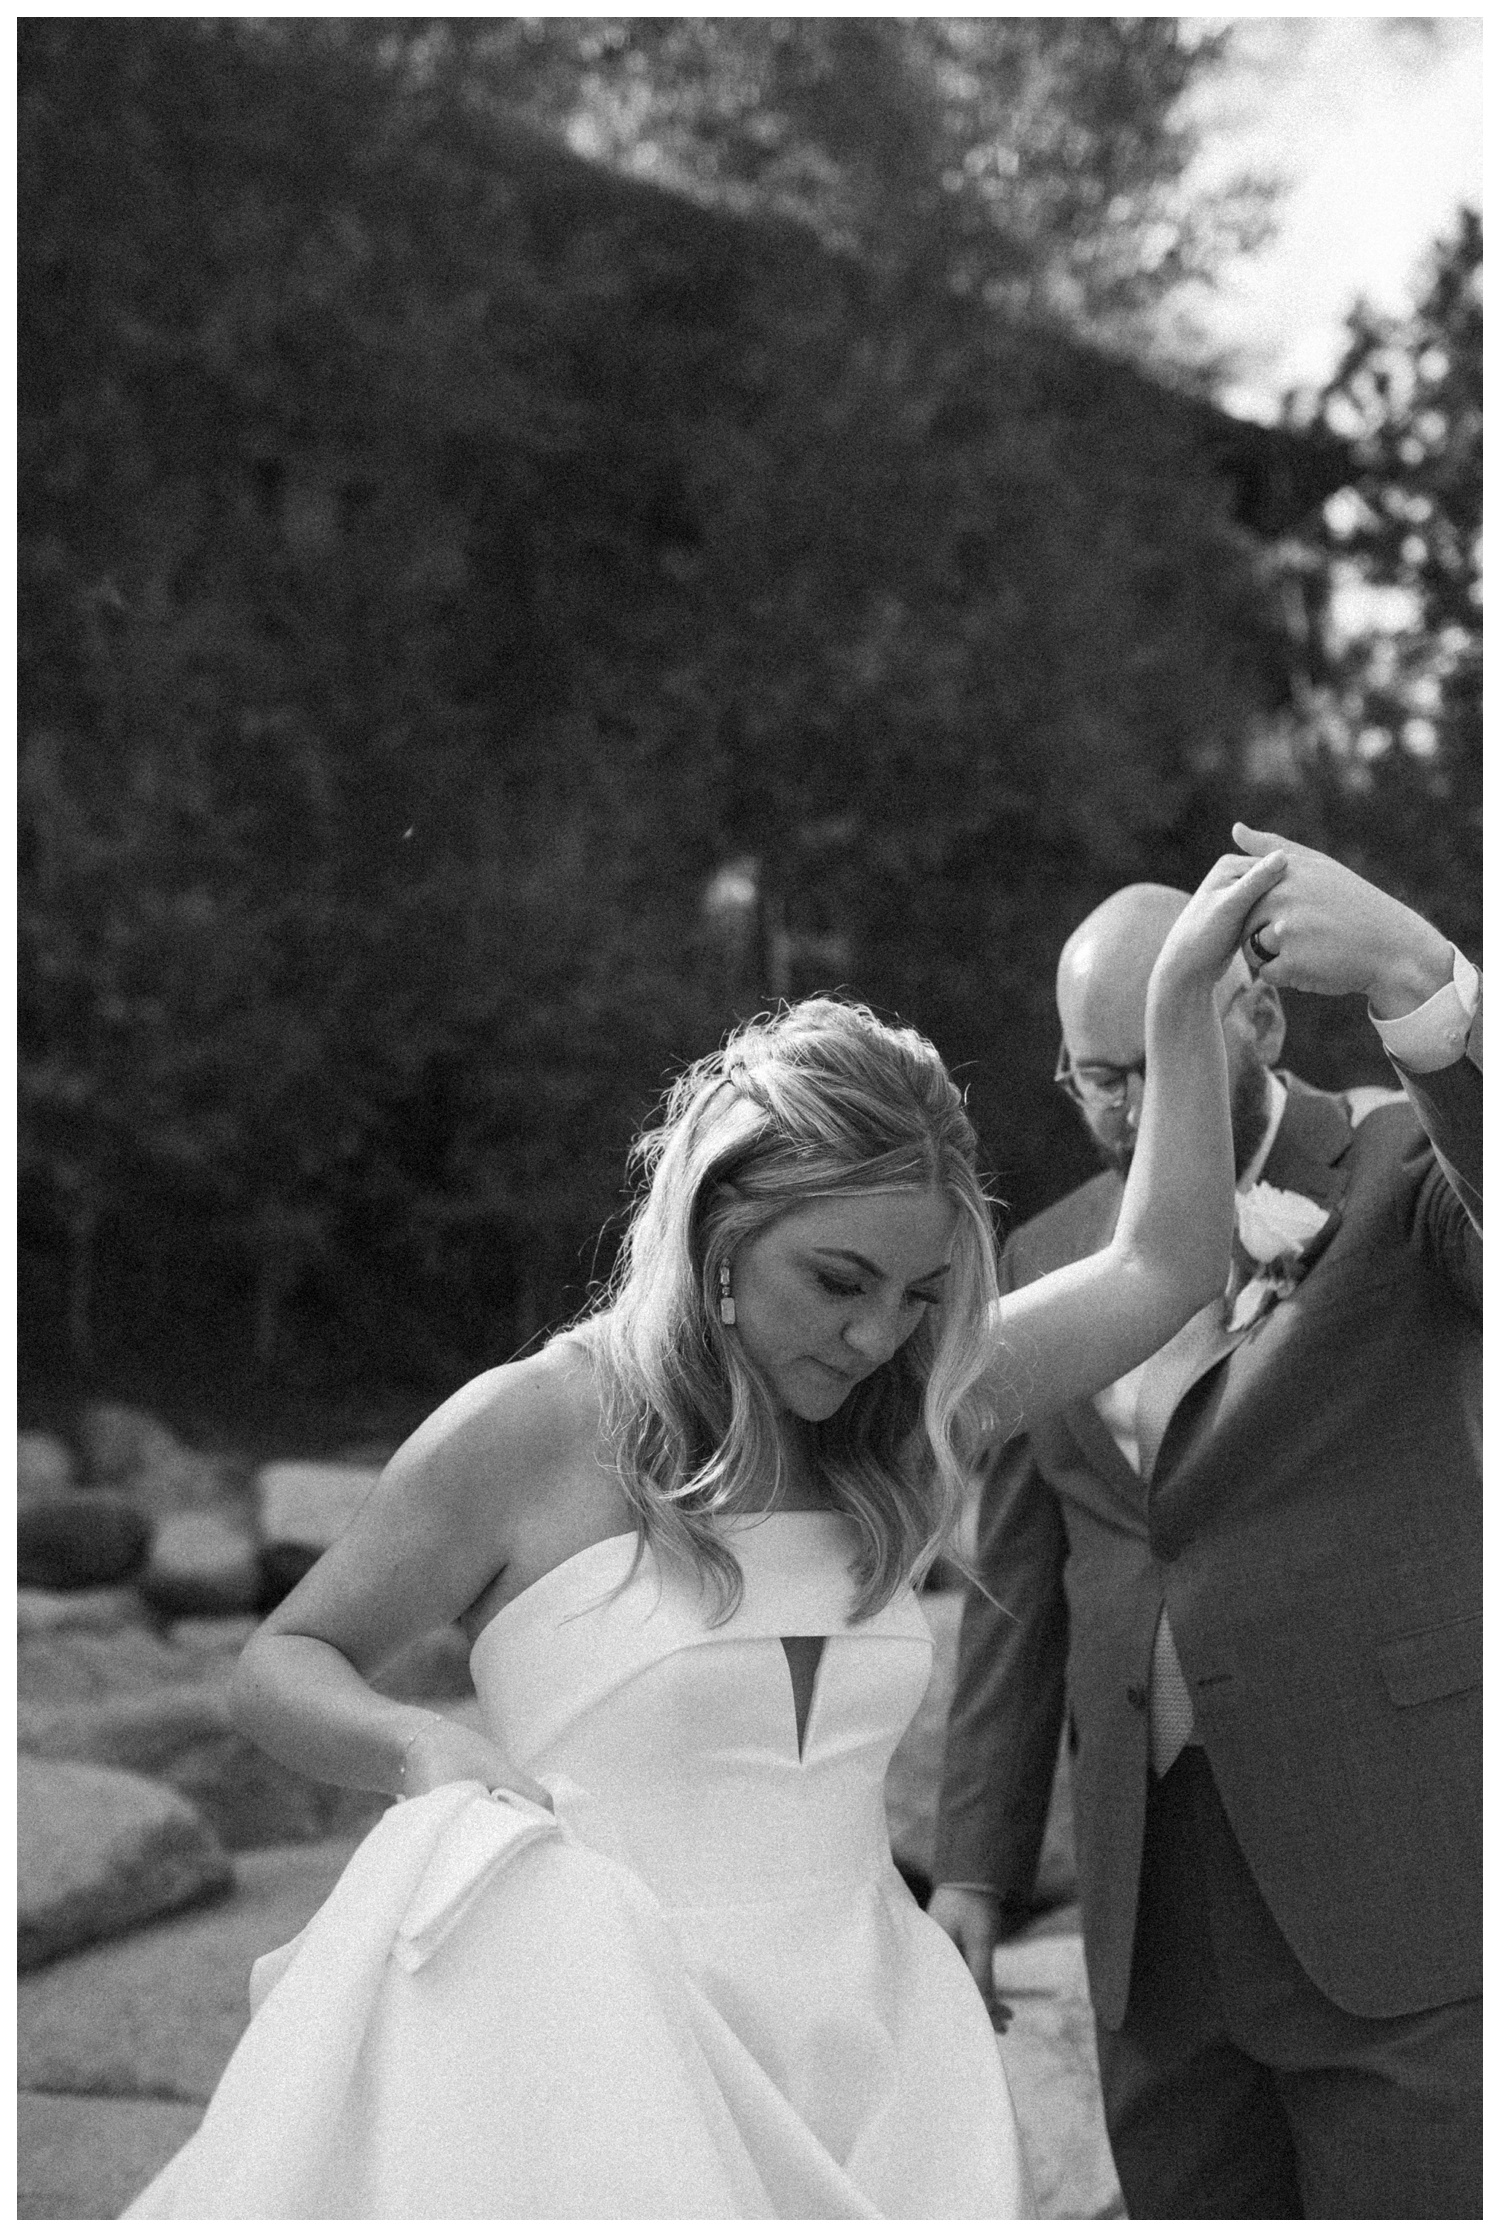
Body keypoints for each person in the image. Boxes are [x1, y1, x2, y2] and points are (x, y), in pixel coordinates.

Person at [124, 845, 1284, 2220]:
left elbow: (1168, 1260)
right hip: (597, 2056)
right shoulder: (534, 1426)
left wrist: (1181, 999)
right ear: (720, 1235)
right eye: (836, 1279)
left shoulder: (910, 1412)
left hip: (879, 2060)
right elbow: (283, 1659)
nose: (876, 1334)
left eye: (917, 1295)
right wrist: (424, 1747)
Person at [930, 823, 1481, 2219]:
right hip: (1149, 1924)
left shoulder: (1399, 1158)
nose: (1123, 1106)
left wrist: (1424, 983)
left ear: (1258, 1011)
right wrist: (975, 1877)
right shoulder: (1047, 1257)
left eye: (1154, 1054)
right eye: (1094, 1075)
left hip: (1385, 1878)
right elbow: (1018, 1585)